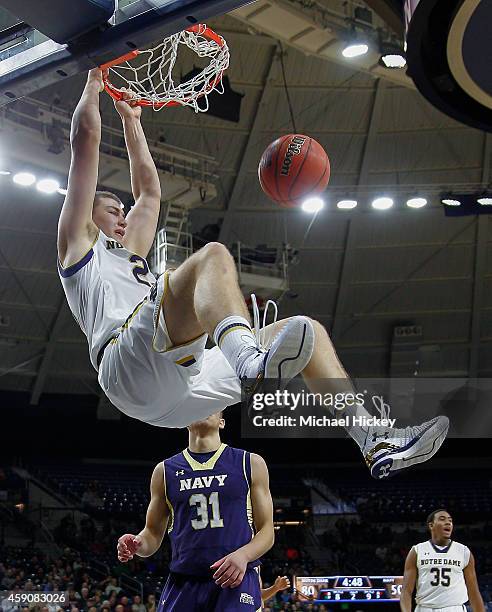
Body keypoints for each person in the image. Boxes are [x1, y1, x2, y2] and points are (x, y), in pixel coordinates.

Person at [57, 69, 448, 479]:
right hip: (125, 363)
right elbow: (85, 141)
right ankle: (248, 359)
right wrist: (93, 83)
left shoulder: (131, 254)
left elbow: (150, 193)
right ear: (87, 215)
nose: (123, 217)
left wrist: (131, 120)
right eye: (112, 210)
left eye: (123, 211)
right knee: (211, 256)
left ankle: (373, 438)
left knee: (306, 332)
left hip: (177, 392)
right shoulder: (78, 247)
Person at [116, 412, 273, 611]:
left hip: (235, 580)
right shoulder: (164, 470)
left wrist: (244, 555)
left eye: (212, 405)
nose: (203, 408)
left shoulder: (249, 463)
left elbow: (267, 532)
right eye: (197, 405)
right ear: (184, 421)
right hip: (184, 582)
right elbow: (152, 535)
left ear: (222, 422)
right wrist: (137, 543)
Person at [400, 509, 485, 612]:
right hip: (425, 608)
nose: (448, 522)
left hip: (454, 608)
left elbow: (474, 593)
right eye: (442, 519)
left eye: (450, 520)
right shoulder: (417, 551)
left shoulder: (463, 551)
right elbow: (406, 591)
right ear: (431, 525)